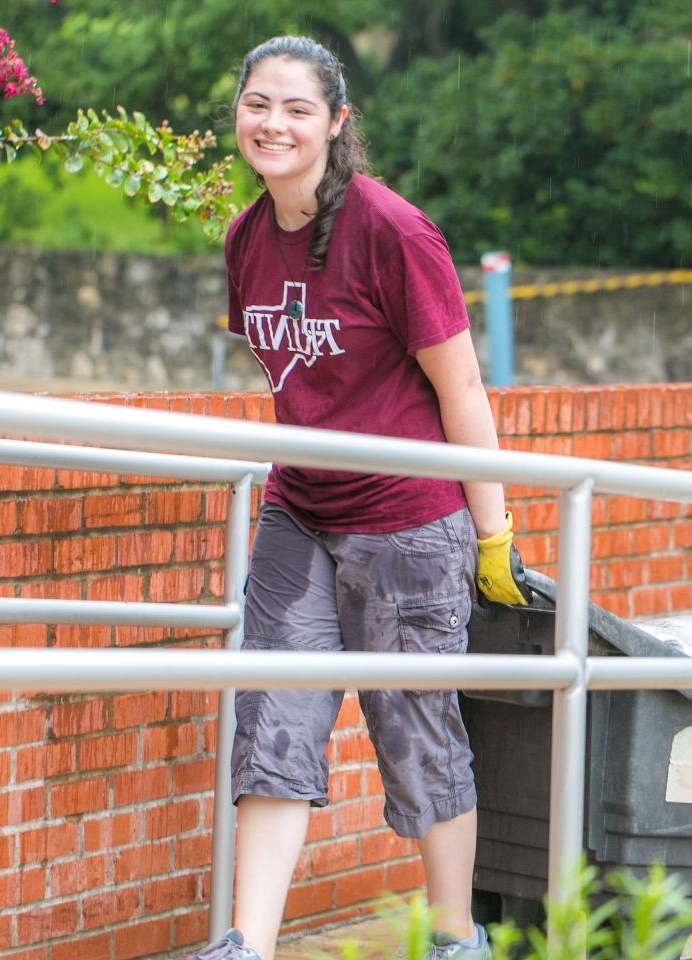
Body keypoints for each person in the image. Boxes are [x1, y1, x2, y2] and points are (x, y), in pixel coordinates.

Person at [192, 34, 529, 960]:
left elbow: (461, 388)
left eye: (298, 108)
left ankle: (456, 940)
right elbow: (296, 377)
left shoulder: (393, 230)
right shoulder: (247, 235)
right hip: (300, 512)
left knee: (417, 728)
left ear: (337, 124)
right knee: (274, 722)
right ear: (239, 114)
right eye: (258, 104)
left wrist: (491, 532)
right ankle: (246, 946)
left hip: (408, 522)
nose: (273, 123)